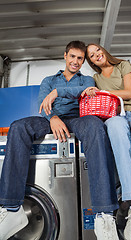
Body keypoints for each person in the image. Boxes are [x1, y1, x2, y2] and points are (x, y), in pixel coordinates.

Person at [0, 41, 119, 240]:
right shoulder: (49, 79)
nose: (75, 61)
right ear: (65, 56)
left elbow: (86, 94)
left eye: (80, 58)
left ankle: (104, 215)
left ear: (83, 62)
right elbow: (42, 102)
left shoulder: (87, 80)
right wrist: (53, 118)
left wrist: (59, 93)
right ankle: (12, 209)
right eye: (72, 56)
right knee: (18, 127)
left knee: (96, 126)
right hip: (50, 120)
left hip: (78, 119)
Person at [83, 43, 131, 240]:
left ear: (103, 51)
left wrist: (103, 93)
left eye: (97, 50)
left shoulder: (123, 65)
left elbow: (129, 92)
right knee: (119, 142)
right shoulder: (96, 78)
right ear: (91, 61)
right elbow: (94, 100)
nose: (96, 55)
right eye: (92, 55)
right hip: (115, 116)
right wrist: (90, 91)